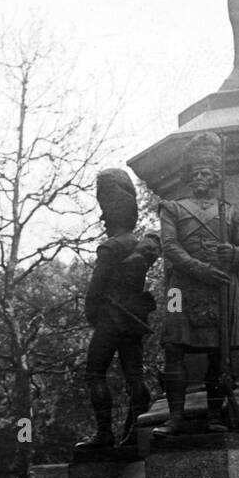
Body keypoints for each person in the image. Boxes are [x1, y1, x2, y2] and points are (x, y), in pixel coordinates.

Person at [157, 132, 239, 436]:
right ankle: (175, 417)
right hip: (181, 287)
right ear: (188, 176)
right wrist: (198, 269)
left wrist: (234, 253)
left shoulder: (233, 212)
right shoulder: (172, 208)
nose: (201, 177)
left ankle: (214, 416)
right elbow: (169, 246)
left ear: (216, 177)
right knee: (173, 348)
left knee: (218, 354)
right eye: (196, 172)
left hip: (222, 287)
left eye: (207, 173)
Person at [75, 169, 161, 458]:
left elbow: (95, 291)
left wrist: (93, 315)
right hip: (134, 319)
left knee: (94, 372)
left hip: (110, 318)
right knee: (134, 375)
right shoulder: (140, 245)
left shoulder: (110, 248)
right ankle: (135, 432)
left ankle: (104, 433)